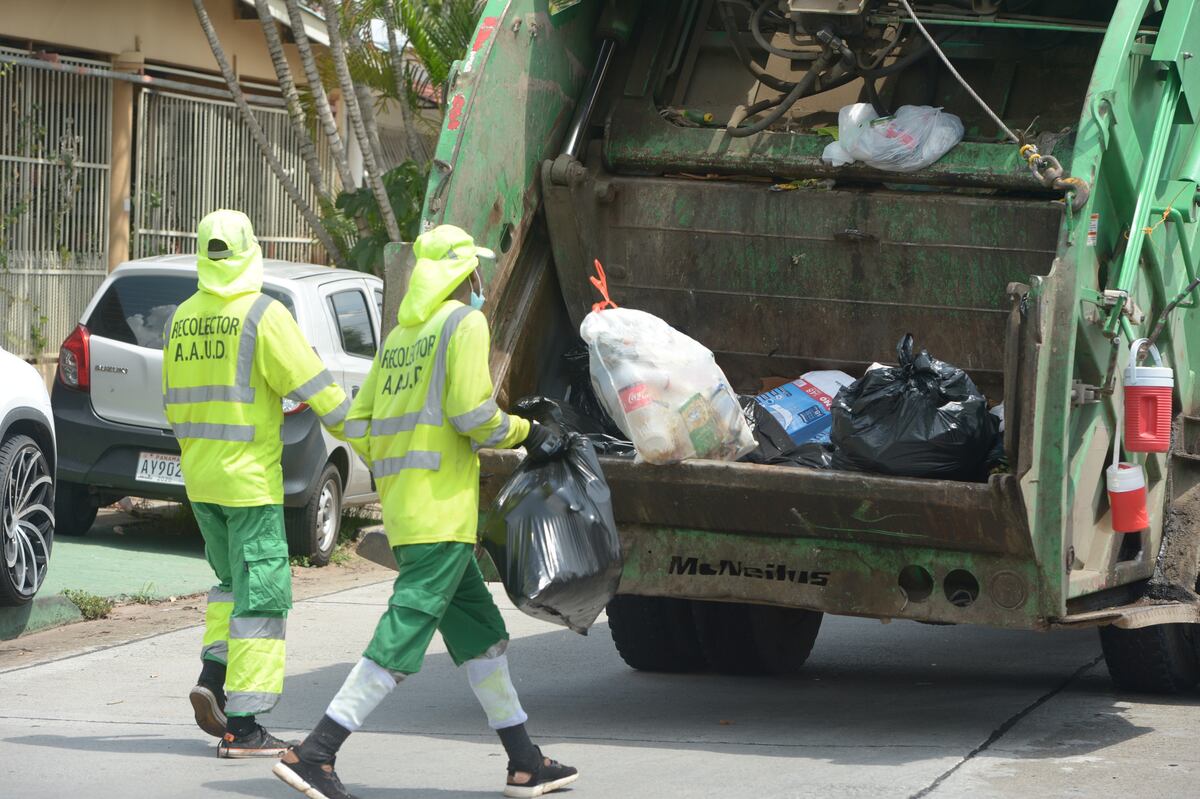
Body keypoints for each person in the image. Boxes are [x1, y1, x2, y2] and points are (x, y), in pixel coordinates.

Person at [273, 225, 577, 799]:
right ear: (467, 274)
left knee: (483, 635)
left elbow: (357, 423)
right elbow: (473, 414)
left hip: (411, 512)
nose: (481, 281)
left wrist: (398, 466)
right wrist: (527, 432)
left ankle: (524, 762)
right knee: (404, 630)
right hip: (442, 514)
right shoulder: (464, 323)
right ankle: (316, 752)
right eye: (476, 271)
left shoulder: (398, 338)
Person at [163, 210, 350, 758]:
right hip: (250, 486)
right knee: (263, 600)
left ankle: (213, 679)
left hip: (201, 481)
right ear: (250, 250)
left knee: (229, 586)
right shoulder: (263, 316)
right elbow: (318, 389)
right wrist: (369, 429)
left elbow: (172, 404)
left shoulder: (181, 318)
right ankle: (243, 727)